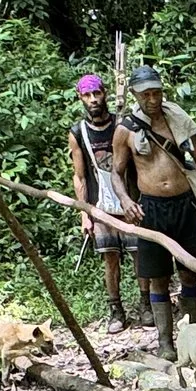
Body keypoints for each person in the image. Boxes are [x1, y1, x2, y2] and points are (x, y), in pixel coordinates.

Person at [110, 65, 196, 362]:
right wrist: (124, 201)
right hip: (152, 210)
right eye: (146, 94)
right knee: (158, 278)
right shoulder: (126, 130)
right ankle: (165, 343)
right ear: (135, 94)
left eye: (157, 92)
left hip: (185, 205)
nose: (153, 99)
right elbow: (116, 173)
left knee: (190, 273)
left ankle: (194, 337)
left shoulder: (177, 118)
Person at [67, 73, 133, 331]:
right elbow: (79, 175)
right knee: (110, 258)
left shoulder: (122, 123)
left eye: (97, 93)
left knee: (139, 254)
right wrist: (85, 213)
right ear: (80, 98)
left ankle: (146, 305)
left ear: (105, 93)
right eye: (87, 95)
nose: (93, 99)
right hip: (100, 204)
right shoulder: (78, 132)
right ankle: (116, 310)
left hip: (129, 199)